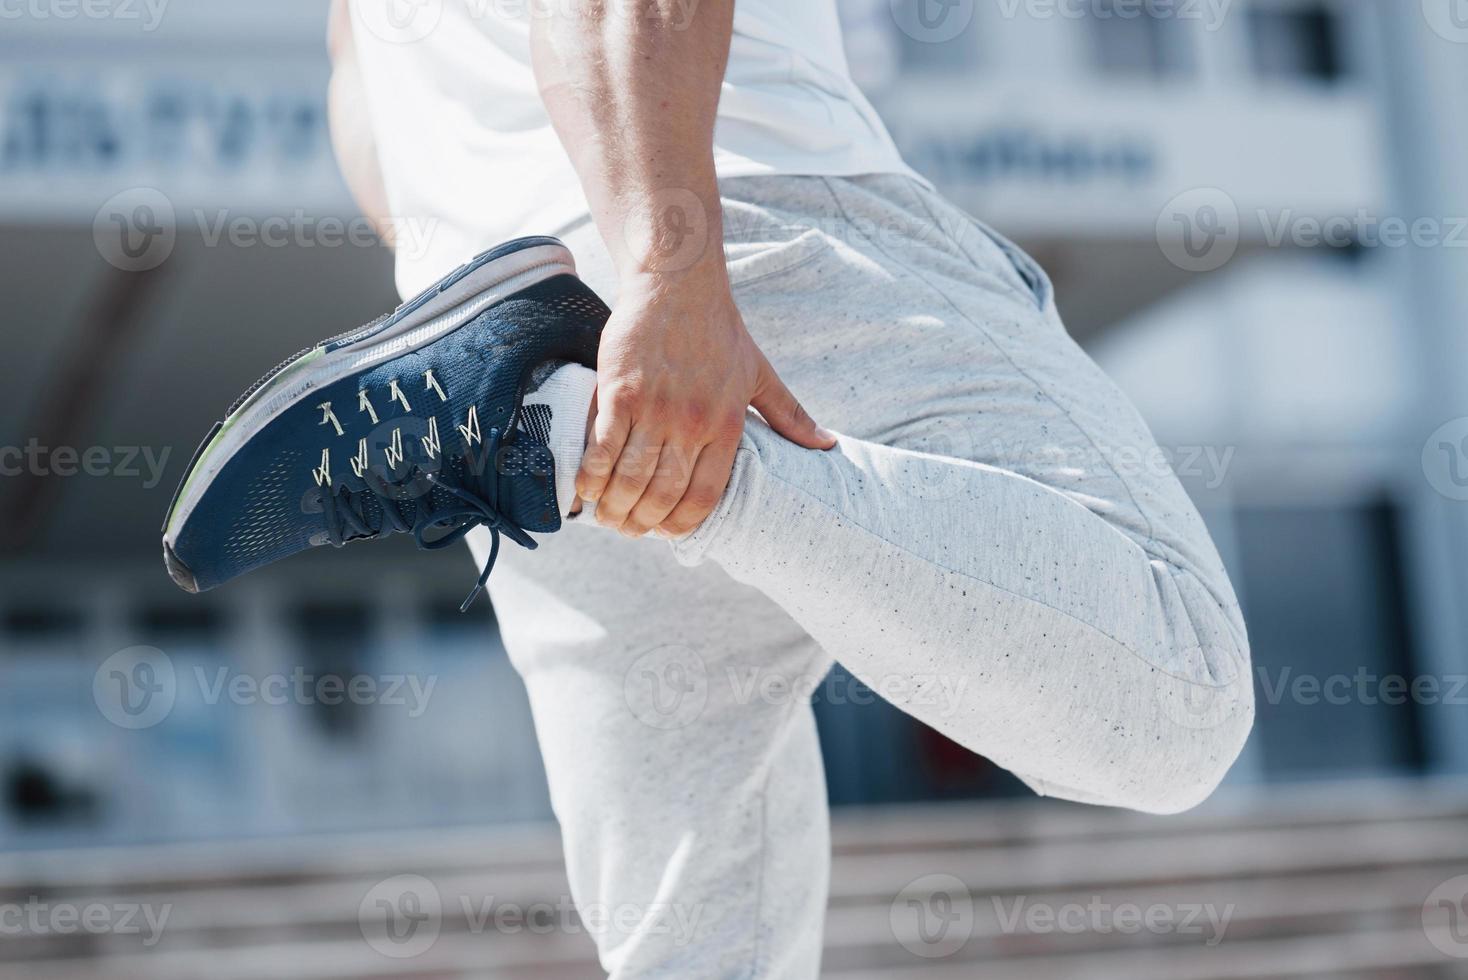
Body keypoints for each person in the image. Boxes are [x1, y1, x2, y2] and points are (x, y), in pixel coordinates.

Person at [171, 1, 1254, 975]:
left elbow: (359, 80)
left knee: (703, 953)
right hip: (733, 213)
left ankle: (544, 430)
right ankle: (577, 443)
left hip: (506, 311)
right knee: (1177, 691)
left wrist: (488, 269)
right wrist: (667, 266)